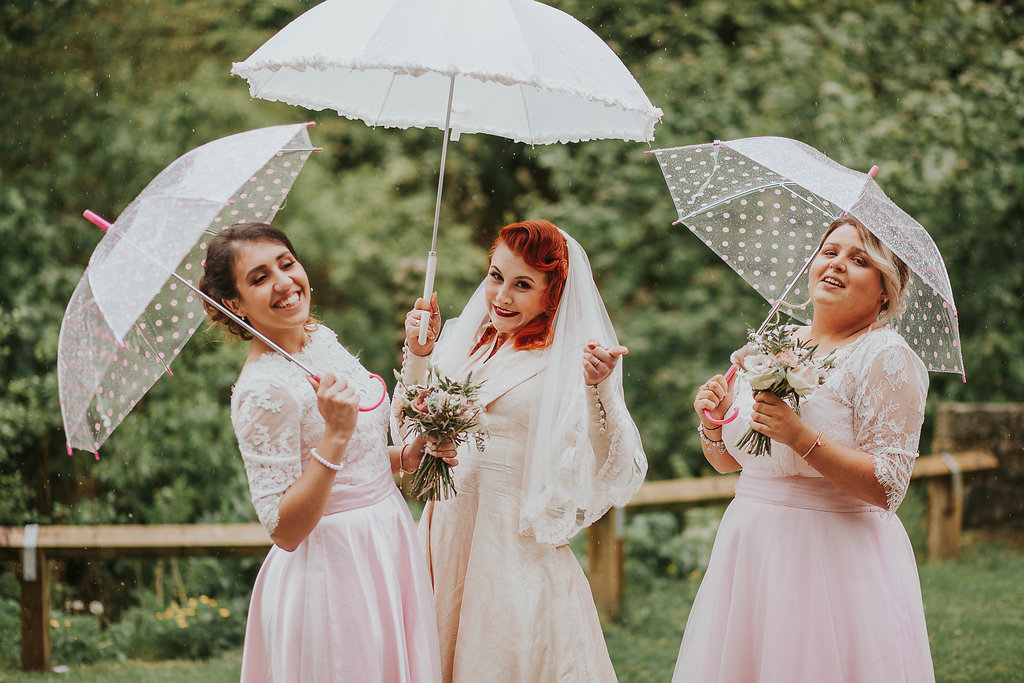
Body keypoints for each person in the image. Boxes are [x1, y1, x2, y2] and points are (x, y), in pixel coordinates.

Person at [673, 215, 935, 682]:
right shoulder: (776, 341)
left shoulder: (885, 356)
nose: (836, 264)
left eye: (859, 260)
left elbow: (888, 486)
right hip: (749, 546)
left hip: (831, 559)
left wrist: (800, 437)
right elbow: (733, 463)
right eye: (829, 251)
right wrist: (712, 424)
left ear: (885, 291)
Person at [394, 220, 647, 682]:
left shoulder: (574, 357)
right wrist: (419, 353)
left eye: (522, 285)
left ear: (553, 294)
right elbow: (406, 428)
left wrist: (599, 389)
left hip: (511, 545)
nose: (501, 297)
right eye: (496, 276)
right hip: (446, 531)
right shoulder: (473, 341)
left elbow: (612, 461)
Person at [198, 222, 443, 683]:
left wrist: (400, 458)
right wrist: (334, 433)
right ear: (233, 304)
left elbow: (355, 458)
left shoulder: (319, 339)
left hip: (387, 540)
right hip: (335, 568)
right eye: (259, 277)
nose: (284, 282)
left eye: (286, 263)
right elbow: (284, 528)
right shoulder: (261, 392)